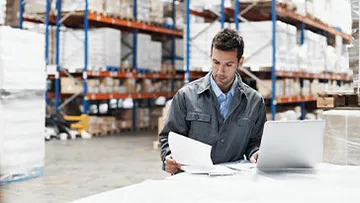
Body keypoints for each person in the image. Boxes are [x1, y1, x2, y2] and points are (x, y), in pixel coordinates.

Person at [159, 28, 267, 174]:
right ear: (210, 56)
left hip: (234, 180)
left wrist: (256, 154)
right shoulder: (186, 96)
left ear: (240, 62)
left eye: (228, 65)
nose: (220, 71)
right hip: (192, 180)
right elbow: (169, 136)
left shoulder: (254, 102)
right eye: (216, 62)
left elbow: (255, 143)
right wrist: (168, 157)